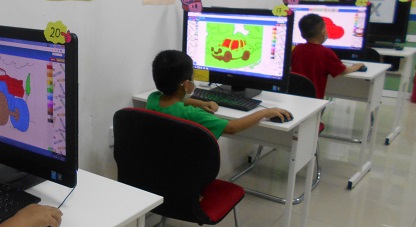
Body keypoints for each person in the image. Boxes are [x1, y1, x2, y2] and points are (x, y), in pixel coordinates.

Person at [148, 50, 293, 138]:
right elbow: (232, 127)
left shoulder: (153, 99)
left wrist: (201, 103)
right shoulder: (193, 115)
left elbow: (176, 102)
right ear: (186, 85)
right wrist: (265, 112)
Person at [291, 13, 365, 99]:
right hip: (315, 99)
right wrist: (355, 67)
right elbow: (342, 71)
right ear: (323, 32)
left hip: (295, 97)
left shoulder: (297, 49)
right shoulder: (325, 52)